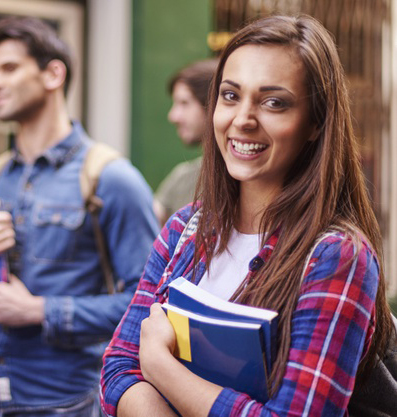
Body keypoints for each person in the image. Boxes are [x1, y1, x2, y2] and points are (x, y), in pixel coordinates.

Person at [101, 14, 395, 417]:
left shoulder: (337, 257)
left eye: (274, 102)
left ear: (315, 123)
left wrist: (161, 367)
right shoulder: (184, 231)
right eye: (230, 95)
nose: (243, 119)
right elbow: (117, 370)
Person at [0, 16, 159, 417]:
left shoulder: (111, 179)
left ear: (53, 74)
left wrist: (40, 311)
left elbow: (147, 309)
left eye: (8, 68)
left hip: (64, 406)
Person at [153, 59, 219, 225]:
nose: (173, 116)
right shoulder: (182, 177)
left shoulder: (246, 180)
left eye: (184, 103)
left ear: (212, 104)